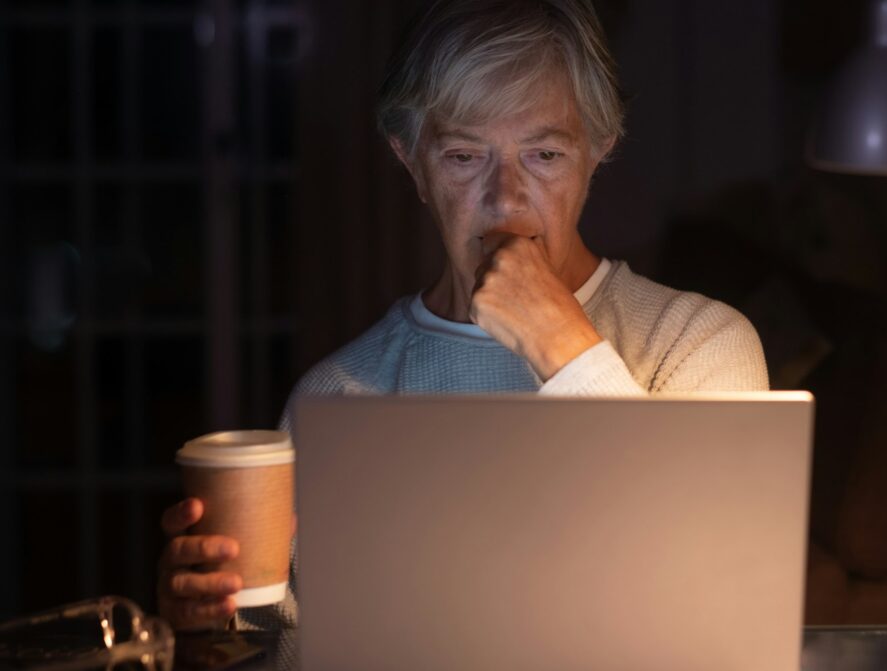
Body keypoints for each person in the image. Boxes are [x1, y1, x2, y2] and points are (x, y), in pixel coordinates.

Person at [157, 0, 769, 632]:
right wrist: (214, 627)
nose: (504, 198)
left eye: (545, 156)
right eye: (463, 156)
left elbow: (711, 610)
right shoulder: (336, 395)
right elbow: (299, 645)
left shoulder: (701, 344)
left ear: (598, 149)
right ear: (411, 161)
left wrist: (561, 344)